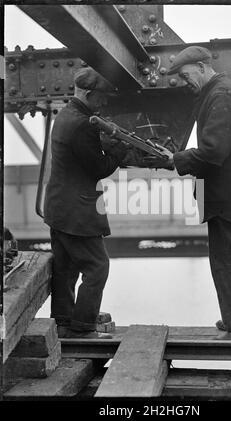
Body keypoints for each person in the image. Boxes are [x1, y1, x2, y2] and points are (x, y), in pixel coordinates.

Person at [144, 46, 231, 340]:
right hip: (229, 198)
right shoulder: (220, 92)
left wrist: (174, 160)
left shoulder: (220, 95)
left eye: (186, 75)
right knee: (228, 261)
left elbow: (214, 151)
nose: (184, 81)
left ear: (202, 67)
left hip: (230, 199)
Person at [44, 67, 127, 339]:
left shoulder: (66, 115)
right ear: (89, 94)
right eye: (101, 98)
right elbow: (99, 168)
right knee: (97, 267)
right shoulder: (83, 124)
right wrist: (118, 148)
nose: (103, 103)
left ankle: (64, 321)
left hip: (58, 207)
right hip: (78, 211)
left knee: (65, 268)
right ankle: (83, 327)